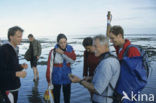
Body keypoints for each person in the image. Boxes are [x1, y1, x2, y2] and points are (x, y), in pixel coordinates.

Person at [69, 35, 120, 103]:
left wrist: (79, 81)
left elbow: (96, 89)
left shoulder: (106, 63)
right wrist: (90, 77)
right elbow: (104, 77)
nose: (94, 49)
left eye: (96, 46)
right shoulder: (109, 58)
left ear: (105, 46)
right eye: (94, 46)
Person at [0, 26, 28, 103]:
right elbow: (1, 72)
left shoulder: (15, 48)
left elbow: (11, 66)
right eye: (18, 36)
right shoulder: (3, 50)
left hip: (14, 87)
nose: (21, 38)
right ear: (11, 37)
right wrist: (16, 74)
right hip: (7, 89)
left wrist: (21, 66)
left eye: (21, 36)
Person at [46, 33, 76, 103]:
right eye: (61, 42)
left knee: (67, 99)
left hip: (67, 77)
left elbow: (73, 60)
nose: (63, 44)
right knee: (56, 99)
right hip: (56, 78)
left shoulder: (70, 49)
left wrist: (62, 52)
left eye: (65, 42)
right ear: (57, 43)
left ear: (67, 41)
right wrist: (49, 81)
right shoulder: (53, 52)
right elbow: (49, 67)